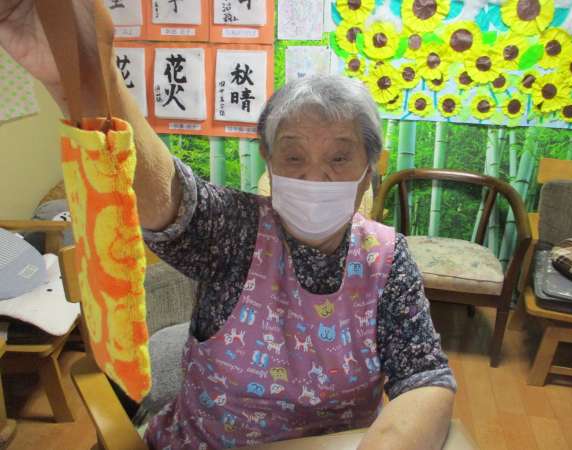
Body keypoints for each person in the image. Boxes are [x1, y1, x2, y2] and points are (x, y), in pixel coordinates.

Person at [0, 2, 456, 449]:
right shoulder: (237, 230)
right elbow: (165, 197)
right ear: (269, 162)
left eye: (339, 158)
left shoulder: (386, 258)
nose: (315, 178)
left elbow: (424, 377)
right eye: (293, 156)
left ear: (368, 168)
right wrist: (83, 73)